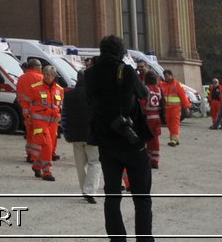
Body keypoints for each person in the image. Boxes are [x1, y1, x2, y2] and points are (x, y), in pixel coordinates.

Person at [85, 34, 154, 242]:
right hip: (130, 139)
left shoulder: (89, 74)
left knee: (112, 196)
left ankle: (117, 239)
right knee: (142, 198)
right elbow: (143, 93)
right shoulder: (126, 70)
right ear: (120, 51)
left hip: (106, 140)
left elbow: (90, 101)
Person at [61, 57, 101, 203]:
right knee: (95, 162)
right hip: (92, 135)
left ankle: (85, 188)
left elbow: (63, 115)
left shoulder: (69, 95)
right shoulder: (95, 95)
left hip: (74, 135)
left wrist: (65, 132)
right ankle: (89, 190)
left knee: (80, 164)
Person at [17, 58, 49, 174]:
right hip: (38, 112)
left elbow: (19, 95)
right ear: (36, 67)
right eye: (40, 67)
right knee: (38, 135)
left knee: (29, 134)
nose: (41, 69)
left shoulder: (21, 77)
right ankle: (35, 158)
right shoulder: (40, 78)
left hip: (25, 110)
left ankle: (29, 154)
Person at [136, 64, 164, 168]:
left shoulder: (146, 88)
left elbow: (142, 103)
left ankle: (147, 159)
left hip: (148, 117)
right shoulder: (158, 89)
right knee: (155, 139)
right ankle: (155, 160)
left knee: (146, 139)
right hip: (157, 116)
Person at [161, 69, 183, 145]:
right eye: (164, 76)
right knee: (169, 124)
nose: (165, 78)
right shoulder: (162, 85)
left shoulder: (177, 84)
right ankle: (175, 139)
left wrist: (187, 106)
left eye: (167, 76)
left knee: (174, 124)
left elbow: (183, 96)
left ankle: (173, 139)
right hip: (167, 109)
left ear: (171, 75)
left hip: (175, 108)